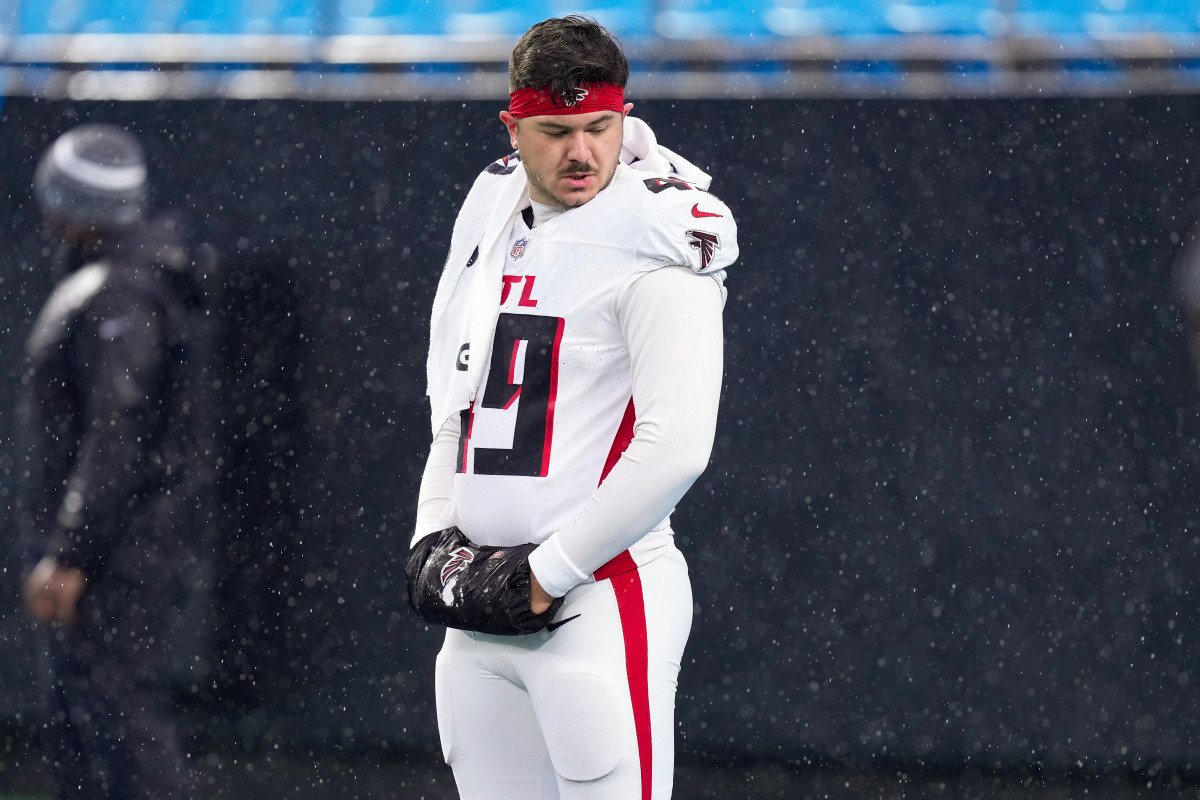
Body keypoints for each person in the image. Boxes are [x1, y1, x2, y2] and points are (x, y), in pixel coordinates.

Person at [407, 15, 739, 799]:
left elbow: (676, 445)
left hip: (596, 595)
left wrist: (547, 572)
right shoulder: (491, 203)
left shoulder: (662, 225)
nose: (583, 151)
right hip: (482, 595)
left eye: (600, 126)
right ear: (513, 127)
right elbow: (458, 394)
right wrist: (432, 535)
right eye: (555, 131)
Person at [17, 123, 209, 800]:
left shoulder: (118, 293)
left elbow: (115, 435)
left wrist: (71, 555)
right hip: (123, 552)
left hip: (115, 560)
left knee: (119, 723)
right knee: (94, 725)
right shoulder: (127, 282)